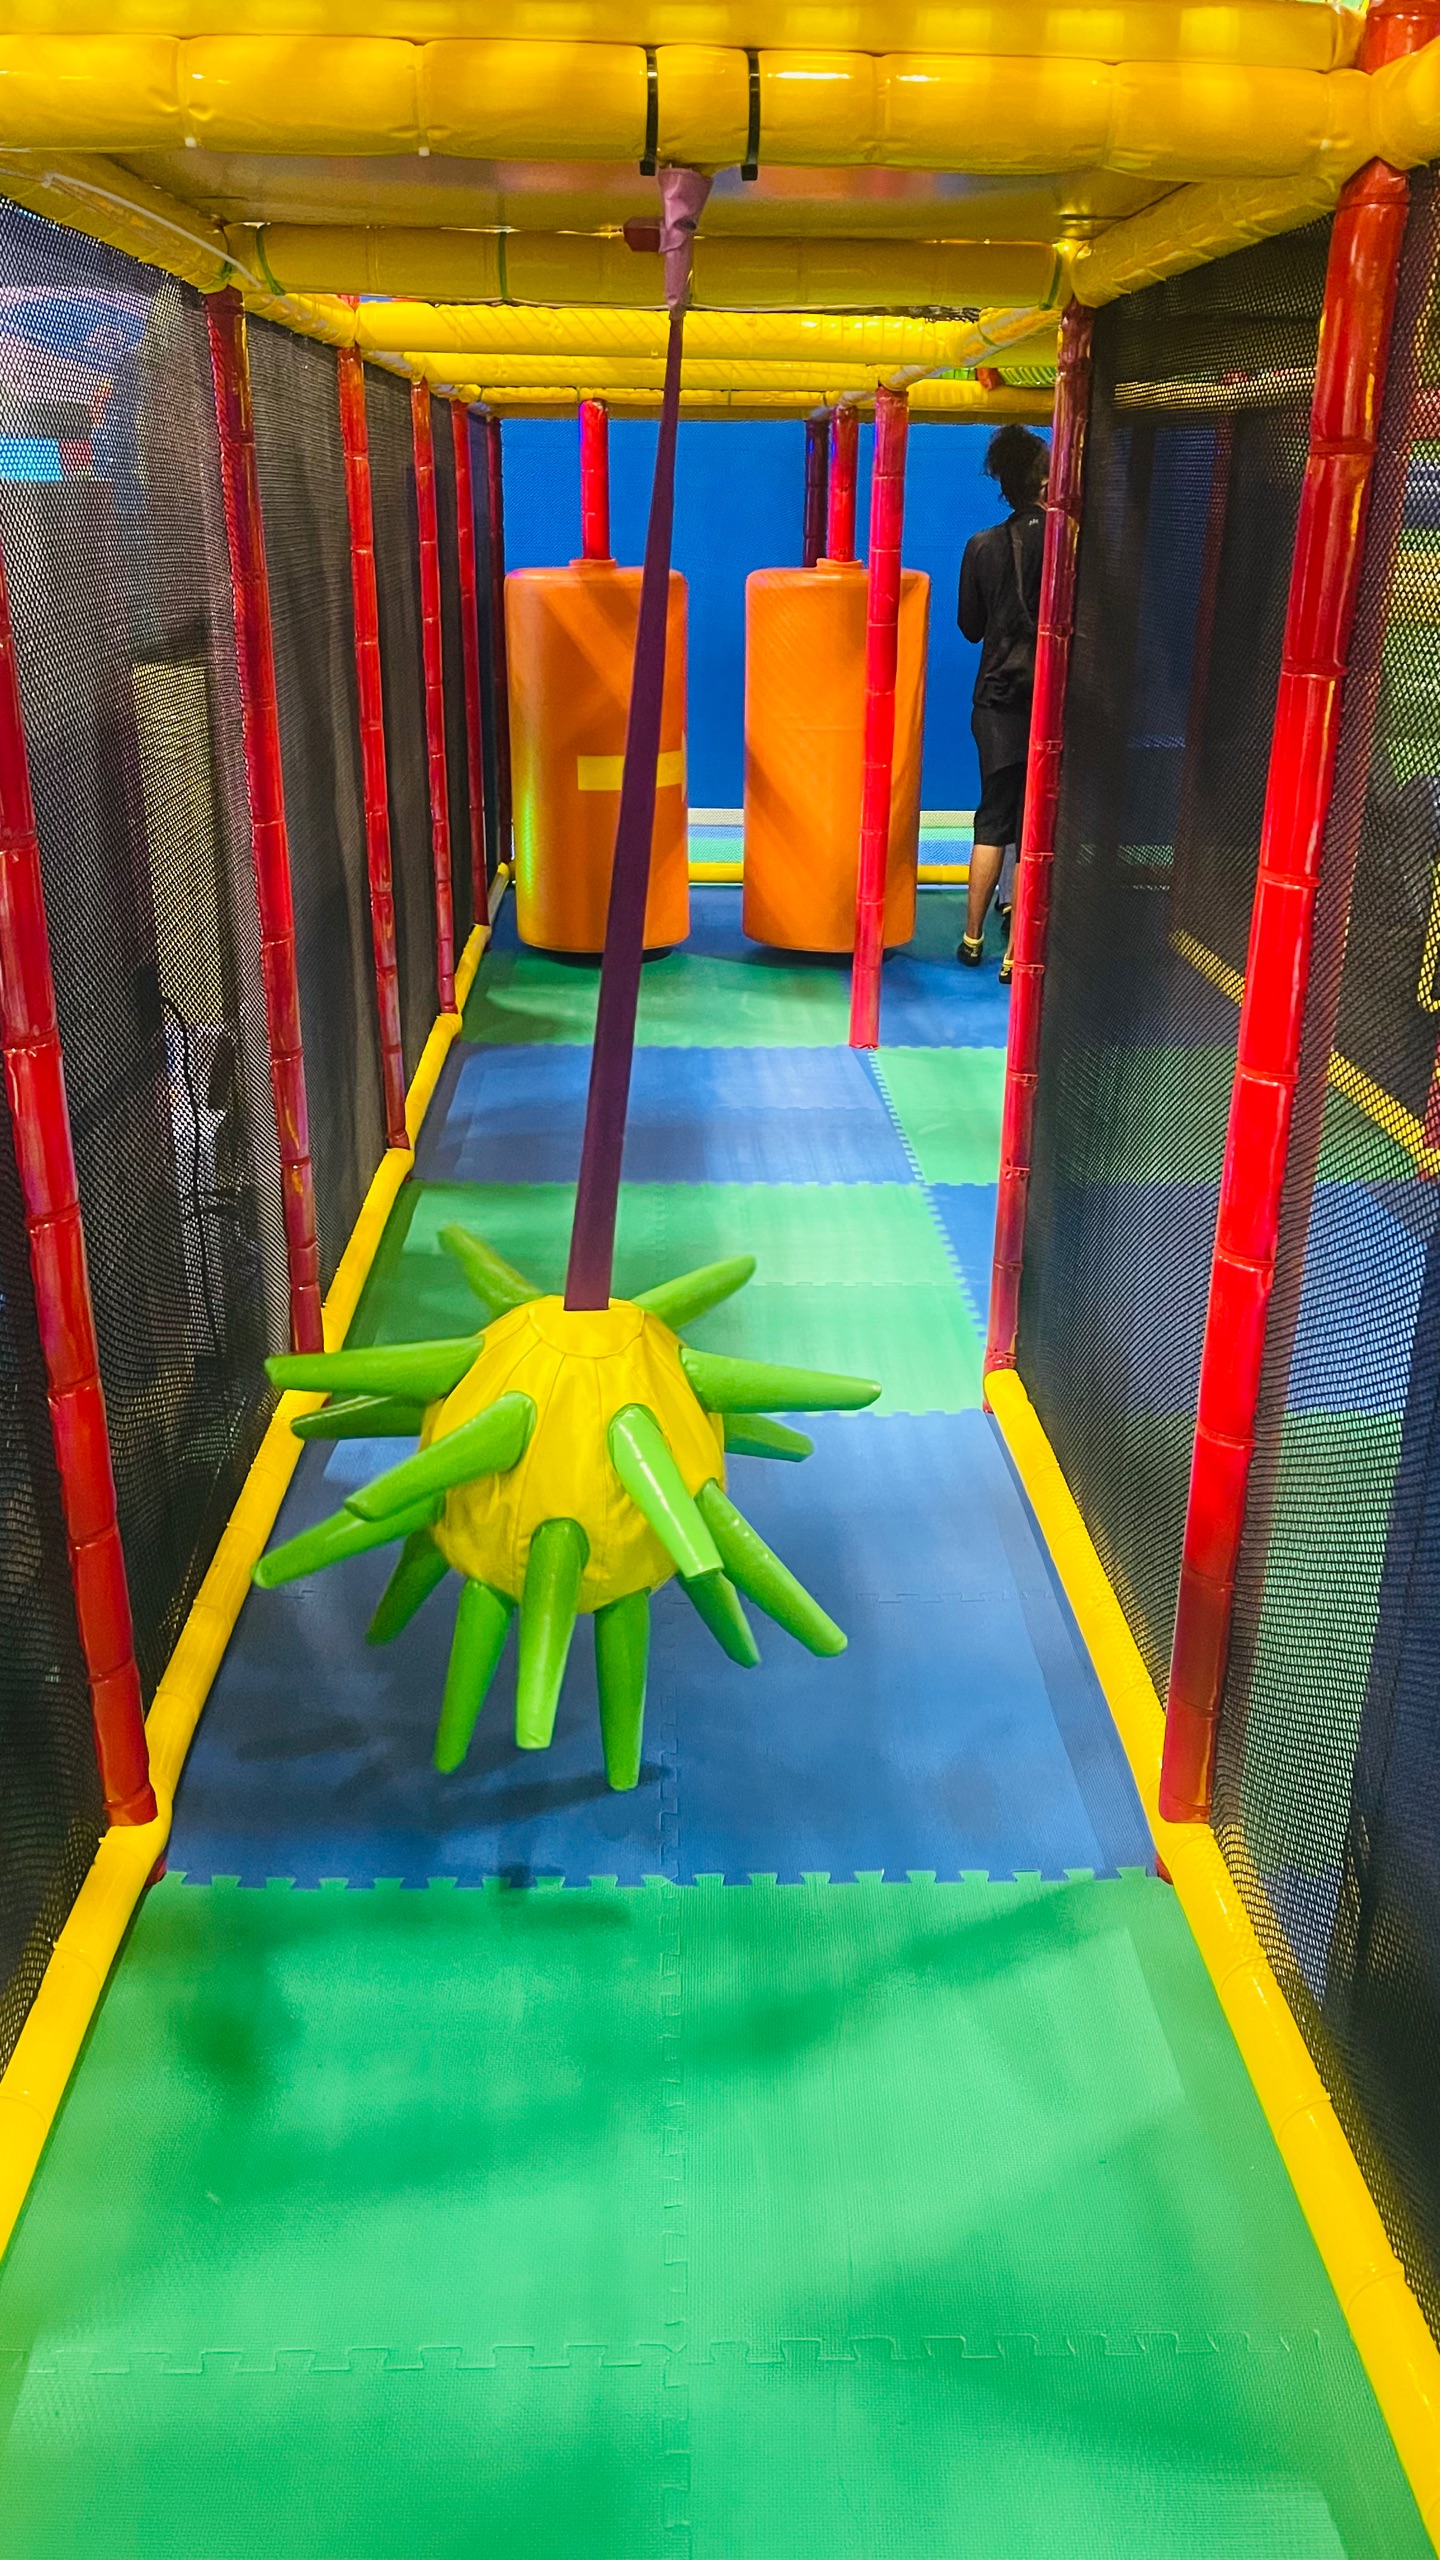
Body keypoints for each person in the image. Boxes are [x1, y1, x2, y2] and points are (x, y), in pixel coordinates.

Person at [956, 423, 1049, 982]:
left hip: (995, 700)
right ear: (1045, 481)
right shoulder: (1067, 542)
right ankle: (1017, 952)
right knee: (1035, 822)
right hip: (1048, 701)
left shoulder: (981, 546)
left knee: (992, 816)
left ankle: (972, 938)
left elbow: (969, 627)